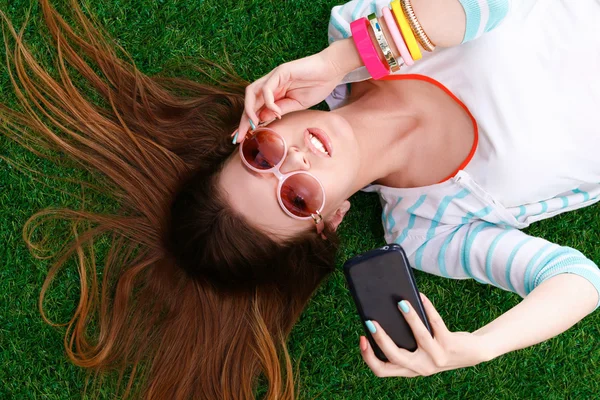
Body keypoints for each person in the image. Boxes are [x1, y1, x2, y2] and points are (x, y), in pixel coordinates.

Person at [1, 1, 598, 400]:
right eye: (295, 197)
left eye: (259, 156)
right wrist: (479, 346)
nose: (296, 158)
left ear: (253, 127)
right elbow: (576, 278)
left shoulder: (357, 33)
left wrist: (342, 60)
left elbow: (478, 7)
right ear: (330, 221)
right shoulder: (430, 231)